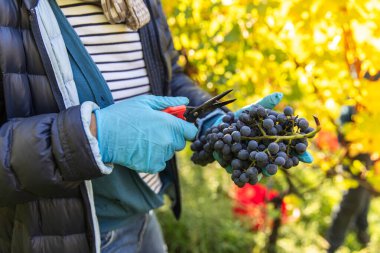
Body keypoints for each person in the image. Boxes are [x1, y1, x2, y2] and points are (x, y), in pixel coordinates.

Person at [0, 0, 312, 252]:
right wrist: (95, 134)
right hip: (69, 238)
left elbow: (169, 74)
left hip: (145, 220)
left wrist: (213, 122)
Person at [326, 106, 372, 253]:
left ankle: (361, 231)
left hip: (372, 150)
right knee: (353, 200)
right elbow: (345, 121)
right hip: (357, 151)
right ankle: (333, 245)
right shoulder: (359, 91)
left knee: (365, 195)